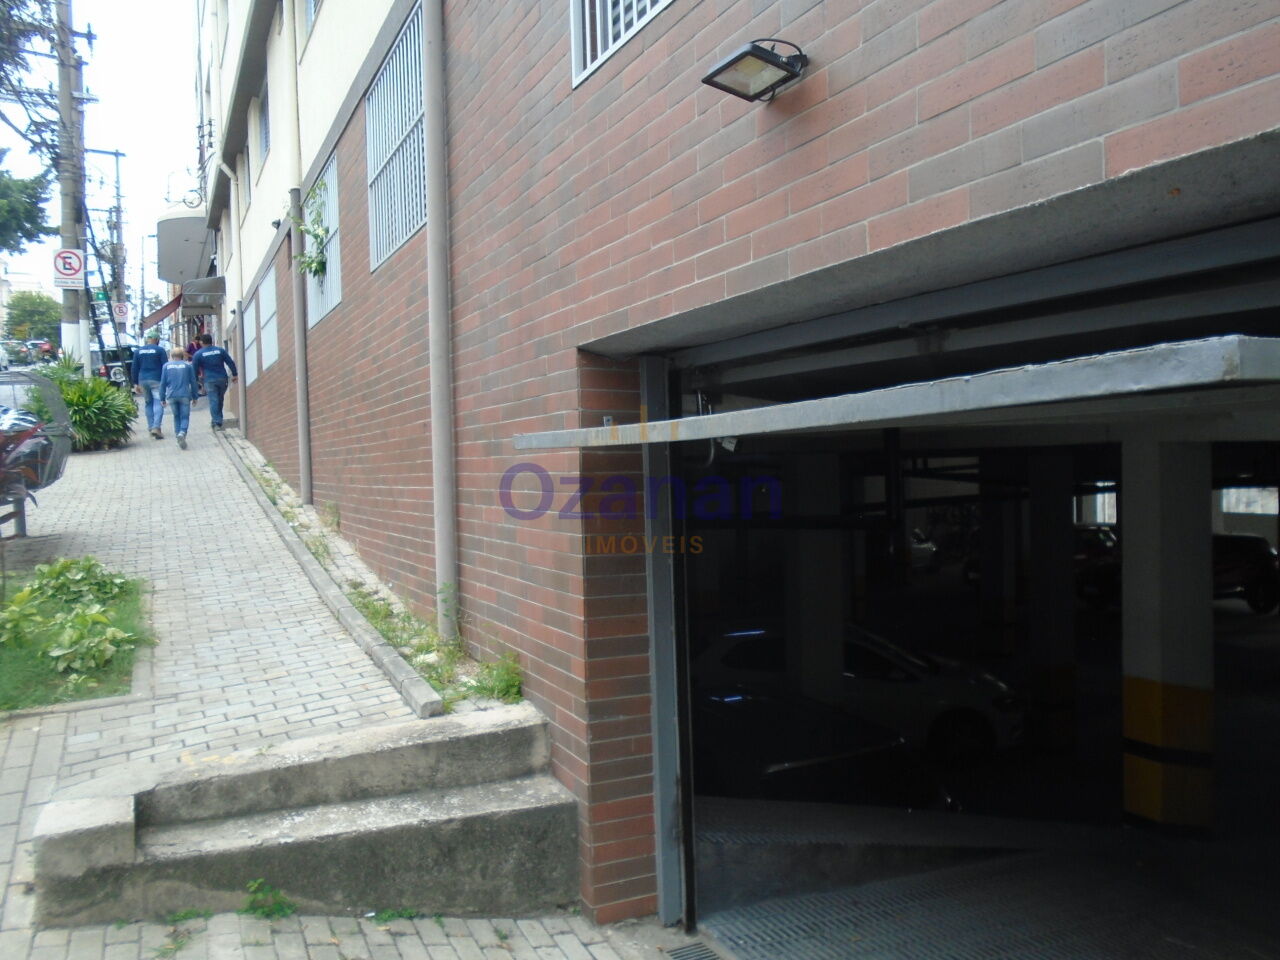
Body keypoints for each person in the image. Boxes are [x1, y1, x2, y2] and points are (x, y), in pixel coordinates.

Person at [190, 333, 238, 430]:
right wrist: (235, 374)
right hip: (222, 379)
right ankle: (218, 419)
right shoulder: (220, 350)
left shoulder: (198, 354)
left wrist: (195, 382)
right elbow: (230, 362)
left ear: (201, 342)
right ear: (211, 341)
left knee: (213, 400)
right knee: (219, 399)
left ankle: (216, 422)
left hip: (209, 380)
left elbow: (194, 370)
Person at [130, 332, 170, 439]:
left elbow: (134, 368)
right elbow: (165, 366)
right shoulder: (160, 350)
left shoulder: (138, 351)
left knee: (148, 403)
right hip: (157, 379)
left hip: (143, 380)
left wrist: (135, 383)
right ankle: (156, 427)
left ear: (147, 339)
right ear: (157, 340)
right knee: (158, 402)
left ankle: (150, 426)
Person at [158, 349, 199, 450]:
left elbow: (162, 383)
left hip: (171, 395)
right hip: (185, 394)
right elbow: (193, 382)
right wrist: (195, 396)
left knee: (176, 416)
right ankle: (182, 432)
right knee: (185, 416)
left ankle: (178, 436)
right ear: (182, 356)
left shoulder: (166, 366)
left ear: (171, 356)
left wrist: (162, 398)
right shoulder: (188, 366)